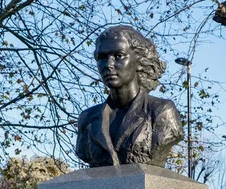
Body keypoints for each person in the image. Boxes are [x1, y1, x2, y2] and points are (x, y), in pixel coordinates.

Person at [76, 25, 183, 168]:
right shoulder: (87, 118)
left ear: (139, 60)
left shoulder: (161, 111)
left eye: (118, 56)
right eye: (102, 57)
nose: (108, 64)